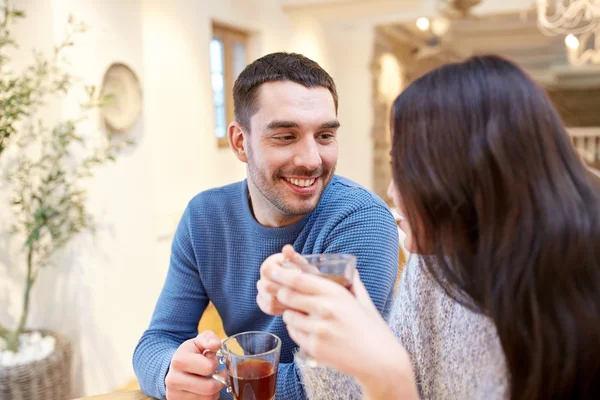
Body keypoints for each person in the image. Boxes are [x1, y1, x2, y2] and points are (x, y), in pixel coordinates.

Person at [258, 55, 600, 399]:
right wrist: (338, 322)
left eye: (405, 170)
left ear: (466, 176)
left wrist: (389, 380)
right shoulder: (434, 263)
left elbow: (394, 381)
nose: (392, 192)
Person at [132, 52, 400, 400]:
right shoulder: (203, 217)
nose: (311, 160)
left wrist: (216, 381)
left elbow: (337, 381)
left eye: (324, 135)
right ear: (240, 142)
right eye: (286, 136)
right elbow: (156, 342)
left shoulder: (362, 220)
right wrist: (172, 371)